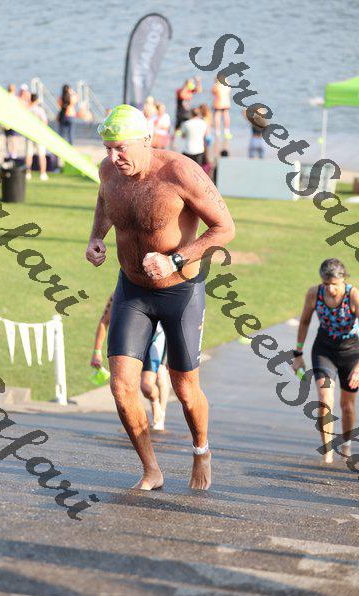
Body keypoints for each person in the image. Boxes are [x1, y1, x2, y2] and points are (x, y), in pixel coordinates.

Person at [86, 104, 235, 491]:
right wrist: (96, 237)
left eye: (121, 148)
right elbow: (105, 202)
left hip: (179, 292)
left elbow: (225, 228)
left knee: (184, 389)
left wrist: (176, 260)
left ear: (147, 141)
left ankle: (201, 450)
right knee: (121, 388)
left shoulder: (180, 172)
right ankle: (151, 469)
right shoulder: (108, 172)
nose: (113, 157)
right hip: (132, 290)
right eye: (107, 149)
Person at [293, 259, 359, 465]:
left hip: (351, 352)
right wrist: (298, 353)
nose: (330, 289)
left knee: (347, 405)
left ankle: (346, 443)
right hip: (324, 350)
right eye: (326, 283)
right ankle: (328, 451)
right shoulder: (315, 293)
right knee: (324, 402)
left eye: (335, 284)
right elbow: (304, 321)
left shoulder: (353, 295)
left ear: (343, 279)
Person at [91, 294, 170, 430]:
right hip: (135, 341)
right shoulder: (117, 295)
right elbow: (104, 321)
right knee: (130, 385)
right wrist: (97, 352)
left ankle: (160, 413)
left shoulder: (159, 292)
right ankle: (151, 404)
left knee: (158, 376)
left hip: (157, 338)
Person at [25, 93, 48, 181]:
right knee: (42, 155)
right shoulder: (40, 110)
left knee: (29, 155)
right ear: (37, 100)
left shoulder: (28, 109)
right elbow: (45, 122)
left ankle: (28, 173)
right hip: (39, 135)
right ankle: (43, 173)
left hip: (30, 134)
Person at [4, 83, 19, 159]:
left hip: (6, 121)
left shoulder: (5, 98)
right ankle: (14, 153)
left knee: (7, 138)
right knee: (14, 138)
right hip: (13, 121)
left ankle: (8, 153)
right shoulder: (15, 99)